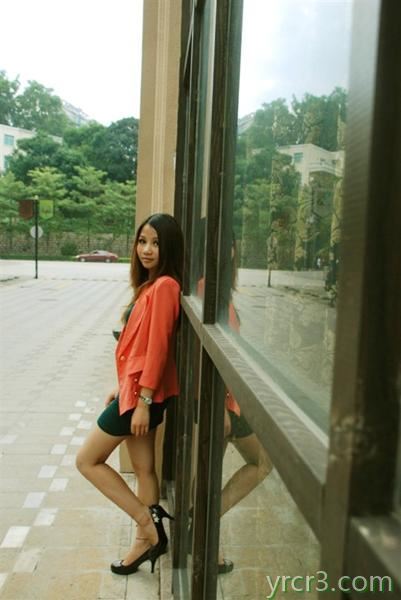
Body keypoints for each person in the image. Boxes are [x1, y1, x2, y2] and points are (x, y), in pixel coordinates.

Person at [76, 213, 184, 576]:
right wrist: (123, 387)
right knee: (144, 469)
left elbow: (158, 349)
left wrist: (142, 402)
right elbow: (139, 348)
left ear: (169, 248)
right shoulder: (150, 285)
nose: (147, 250)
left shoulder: (165, 286)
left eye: (156, 243)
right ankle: (144, 543)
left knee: (87, 461)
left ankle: (148, 524)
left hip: (143, 398)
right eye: (142, 241)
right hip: (136, 393)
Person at [192, 231, 272, 574]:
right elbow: (206, 351)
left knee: (208, 475)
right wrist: (223, 407)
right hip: (222, 403)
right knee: (262, 463)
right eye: (218, 243)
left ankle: (202, 531)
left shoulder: (214, 287)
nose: (226, 250)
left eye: (229, 243)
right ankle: (204, 530)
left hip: (224, 400)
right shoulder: (206, 288)